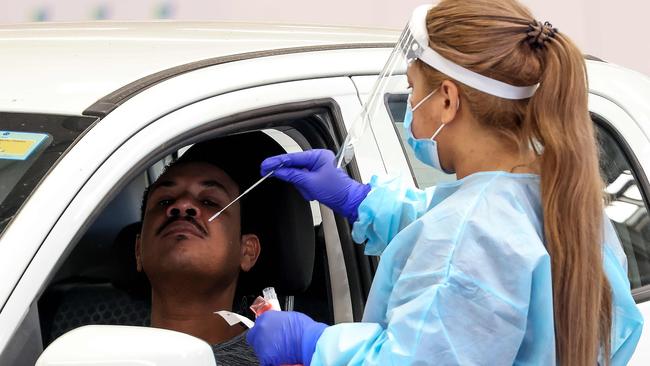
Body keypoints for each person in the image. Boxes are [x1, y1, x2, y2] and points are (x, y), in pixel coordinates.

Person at [246, 1, 644, 365]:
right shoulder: (557, 200)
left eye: (413, 88)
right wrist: (359, 200)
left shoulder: (470, 233)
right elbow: (463, 238)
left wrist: (316, 345)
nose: (412, 103)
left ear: (448, 101)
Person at [136, 133, 281, 365]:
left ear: (247, 251)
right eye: (164, 201)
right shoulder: (93, 352)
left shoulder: (281, 360)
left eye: (209, 202)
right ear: (138, 251)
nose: (181, 205)